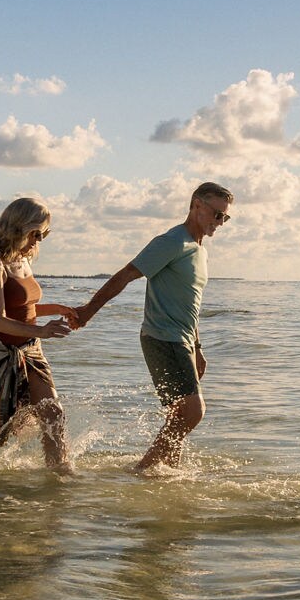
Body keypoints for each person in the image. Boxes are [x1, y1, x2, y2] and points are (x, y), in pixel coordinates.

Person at [75, 181, 233, 470]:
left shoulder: (199, 250)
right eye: (217, 214)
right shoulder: (172, 242)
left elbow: (190, 304)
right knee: (194, 412)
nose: (219, 222)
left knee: (178, 415)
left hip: (182, 340)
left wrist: (197, 347)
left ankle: (166, 474)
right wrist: (88, 311)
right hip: (164, 338)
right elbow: (125, 275)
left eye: (225, 217)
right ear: (197, 204)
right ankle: (142, 470)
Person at [0, 197, 80, 474]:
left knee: (53, 415)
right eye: (36, 233)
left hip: (31, 349)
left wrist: (59, 309)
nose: (39, 240)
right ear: (19, 227)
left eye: (44, 234)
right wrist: (42, 330)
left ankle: (58, 476)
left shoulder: (23, 260)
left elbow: (24, 308)